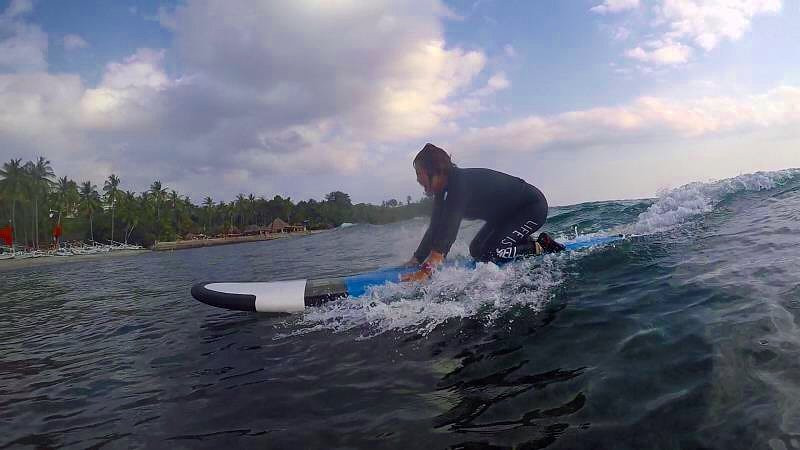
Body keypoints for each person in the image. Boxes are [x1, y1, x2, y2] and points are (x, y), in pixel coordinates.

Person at [401, 143, 564, 282]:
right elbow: (435, 227)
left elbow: (446, 237)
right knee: (477, 250)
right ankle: (521, 243)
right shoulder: (443, 191)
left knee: (493, 252)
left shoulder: (459, 186)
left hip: (531, 208)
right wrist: (417, 259)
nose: (418, 179)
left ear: (436, 171)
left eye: (419, 174)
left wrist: (425, 272)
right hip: (506, 217)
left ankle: (540, 245)